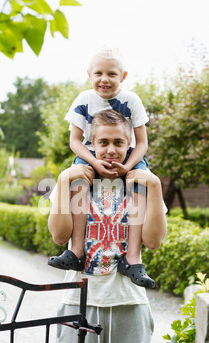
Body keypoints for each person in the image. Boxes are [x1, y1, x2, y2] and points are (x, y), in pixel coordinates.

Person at [48, 110, 167, 343]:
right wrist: (63, 180)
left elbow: (153, 241)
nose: (111, 150)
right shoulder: (76, 180)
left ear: (130, 144)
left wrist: (156, 185)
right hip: (79, 301)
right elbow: (59, 236)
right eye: (103, 142)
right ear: (91, 143)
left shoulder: (141, 184)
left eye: (118, 142)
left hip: (129, 303)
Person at [48, 46, 154, 287]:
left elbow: (142, 142)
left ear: (123, 76)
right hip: (91, 151)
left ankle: (133, 259)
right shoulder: (84, 99)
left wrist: (127, 167)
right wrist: (94, 161)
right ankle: (75, 251)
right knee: (77, 180)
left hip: (126, 153)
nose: (104, 79)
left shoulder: (132, 100)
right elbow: (75, 140)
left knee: (140, 186)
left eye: (111, 74)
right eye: (98, 74)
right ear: (89, 74)